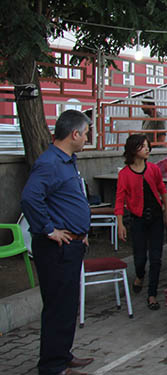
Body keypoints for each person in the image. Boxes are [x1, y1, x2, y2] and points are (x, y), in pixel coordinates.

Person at [21, 110, 95, 375]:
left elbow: (64, 200)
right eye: (86, 133)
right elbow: (30, 198)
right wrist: (49, 229)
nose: (87, 138)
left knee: (66, 306)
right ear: (74, 134)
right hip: (56, 248)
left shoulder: (67, 160)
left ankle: (62, 356)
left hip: (72, 245)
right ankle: (53, 367)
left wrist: (80, 231)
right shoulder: (50, 162)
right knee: (58, 308)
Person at [115, 134, 167, 310]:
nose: (147, 149)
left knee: (156, 258)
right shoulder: (125, 174)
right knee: (140, 258)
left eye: (148, 146)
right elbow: (119, 199)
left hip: (155, 217)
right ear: (133, 149)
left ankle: (152, 295)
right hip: (138, 219)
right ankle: (139, 276)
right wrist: (120, 223)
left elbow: (162, 189)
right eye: (143, 146)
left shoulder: (153, 169)